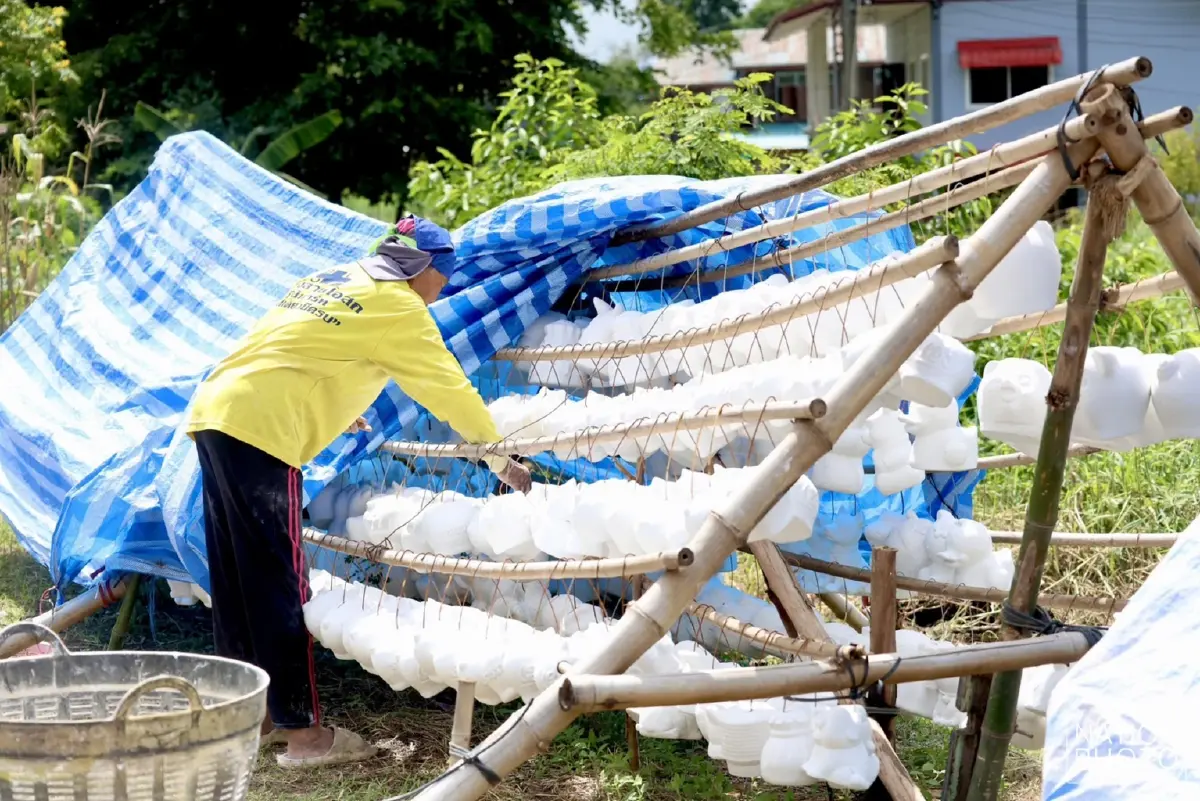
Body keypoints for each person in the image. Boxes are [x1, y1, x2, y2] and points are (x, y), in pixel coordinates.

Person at [186, 215, 531, 769]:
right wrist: (497, 453)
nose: (440, 291)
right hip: (261, 429)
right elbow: (445, 384)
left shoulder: (334, 278)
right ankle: (306, 738)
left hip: (217, 414)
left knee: (237, 577)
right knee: (279, 582)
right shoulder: (399, 307)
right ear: (423, 270)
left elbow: (293, 350)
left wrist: (335, 408)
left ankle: (253, 719)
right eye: (441, 279)